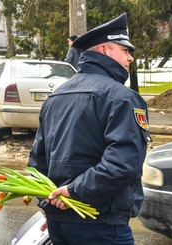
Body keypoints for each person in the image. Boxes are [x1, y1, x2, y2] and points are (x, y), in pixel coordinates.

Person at [28, 12, 152, 245]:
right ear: (104, 50)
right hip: (102, 225)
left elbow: (37, 163)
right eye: (125, 50)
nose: (131, 58)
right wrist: (72, 193)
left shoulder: (55, 97)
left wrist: (51, 205)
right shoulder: (123, 98)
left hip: (60, 224)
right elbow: (122, 164)